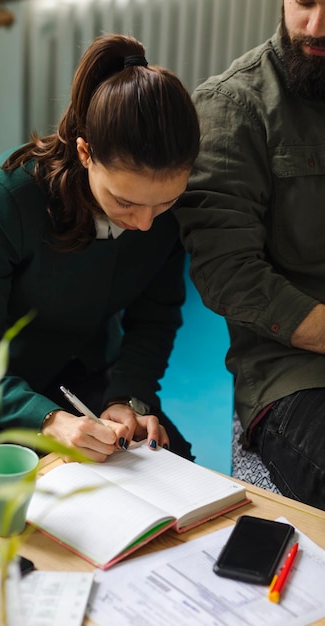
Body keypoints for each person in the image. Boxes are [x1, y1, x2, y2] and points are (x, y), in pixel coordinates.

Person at [0, 34, 199, 466]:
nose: (145, 223)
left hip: (78, 371)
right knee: (31, 493)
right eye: (125, 202)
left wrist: (128, 400)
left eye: (165, 202)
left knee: (174, 464)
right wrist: (48, 420)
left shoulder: (163, 215)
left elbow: (154, 319)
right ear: (85, 152)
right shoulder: (0, 201)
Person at [176, 0, 325, 509]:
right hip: (293, 371)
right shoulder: (232, 105)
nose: (315, 25)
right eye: (303, 2)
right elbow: (228, 275)